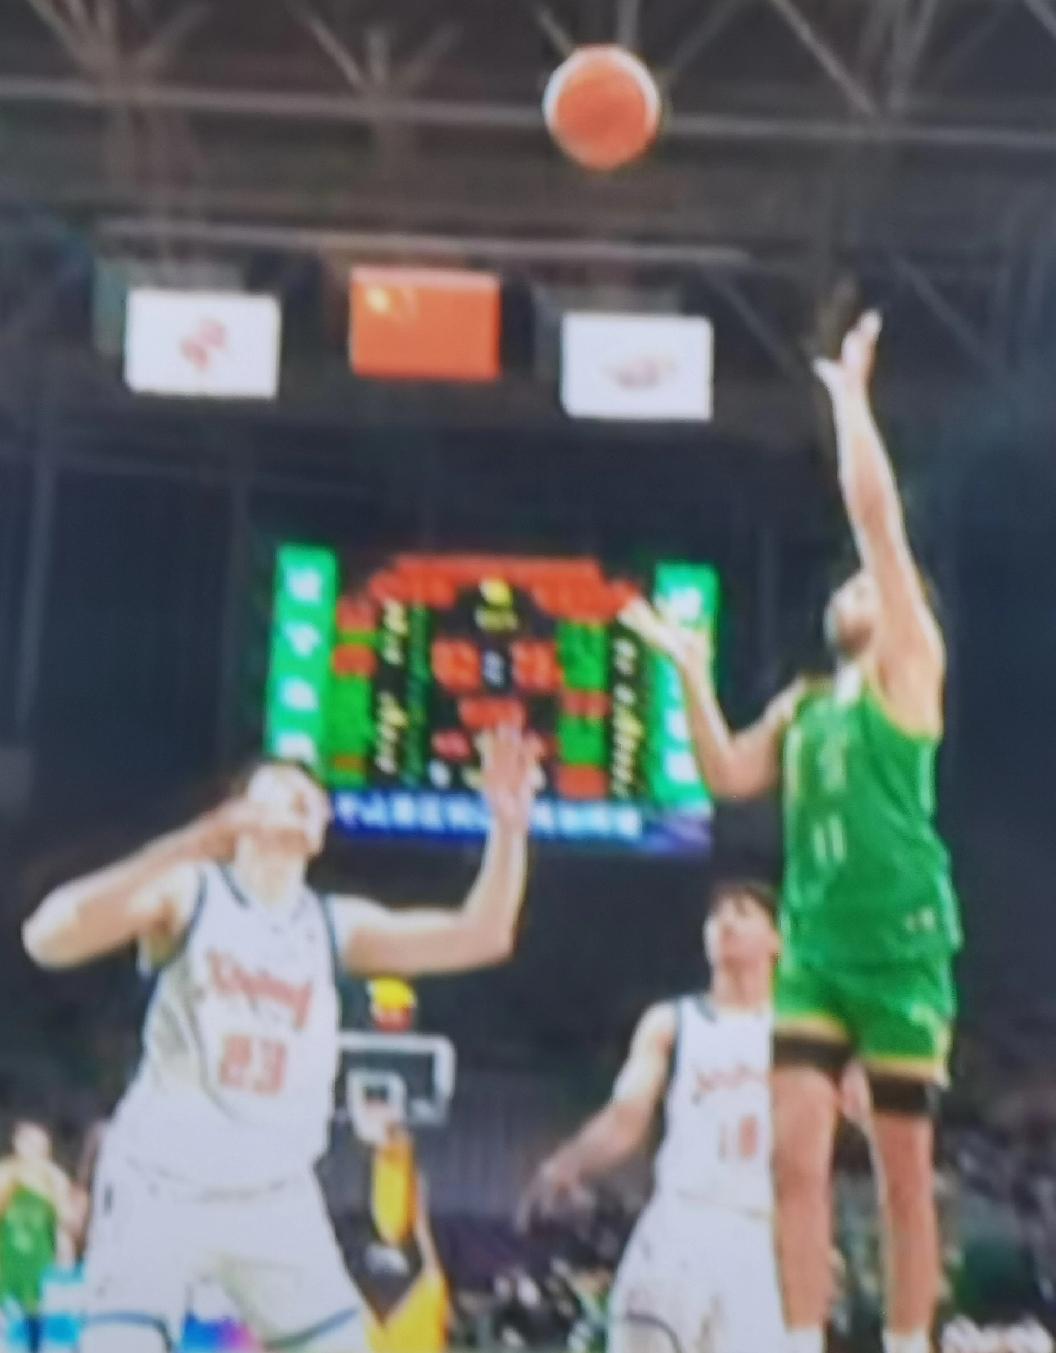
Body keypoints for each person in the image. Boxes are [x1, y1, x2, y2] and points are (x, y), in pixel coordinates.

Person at [623, 310, 961, 1353]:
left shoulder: (909, 668)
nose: (856, 587)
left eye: (870, 585)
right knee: (794, 1161)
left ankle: (907, 1341)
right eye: (849, 587)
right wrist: (688, 669)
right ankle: (800, 1339)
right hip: (813, 949)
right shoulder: (806, 705)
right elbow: (727, 773)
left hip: (902, 946)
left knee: (903, 1175)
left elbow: (877, 522)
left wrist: (850, 402)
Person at [22, 727, 539, 1353]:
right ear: (239, 812)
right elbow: (49, 937)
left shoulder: (333, 925)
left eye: (313, 798)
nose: (304, 799)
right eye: (283, 788)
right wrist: (199, 840)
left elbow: (481, 935)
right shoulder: (193, 893)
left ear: (321, 833)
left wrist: (509, 827)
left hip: (274, 1196)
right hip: (161, 1185)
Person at [522, 879, 784, 1353]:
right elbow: (627, 1114)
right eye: (717, 915)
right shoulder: (673, 1022)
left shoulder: (798, 1032)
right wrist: (569, 1163)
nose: (725, 922)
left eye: (742, 912)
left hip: (760, 1231)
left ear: (776, 940)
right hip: (681, 1219)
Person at [0, 1121, 76, 1353]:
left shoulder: (54, 1178)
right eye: (26, 1142)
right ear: (16, 1144)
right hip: (6, 1257)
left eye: (37, 1144)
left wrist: (65, 1254)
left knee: (37, 1318)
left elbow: (65, 1221)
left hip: (39, 1260)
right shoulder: (6, 1173)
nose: (31, 1149)